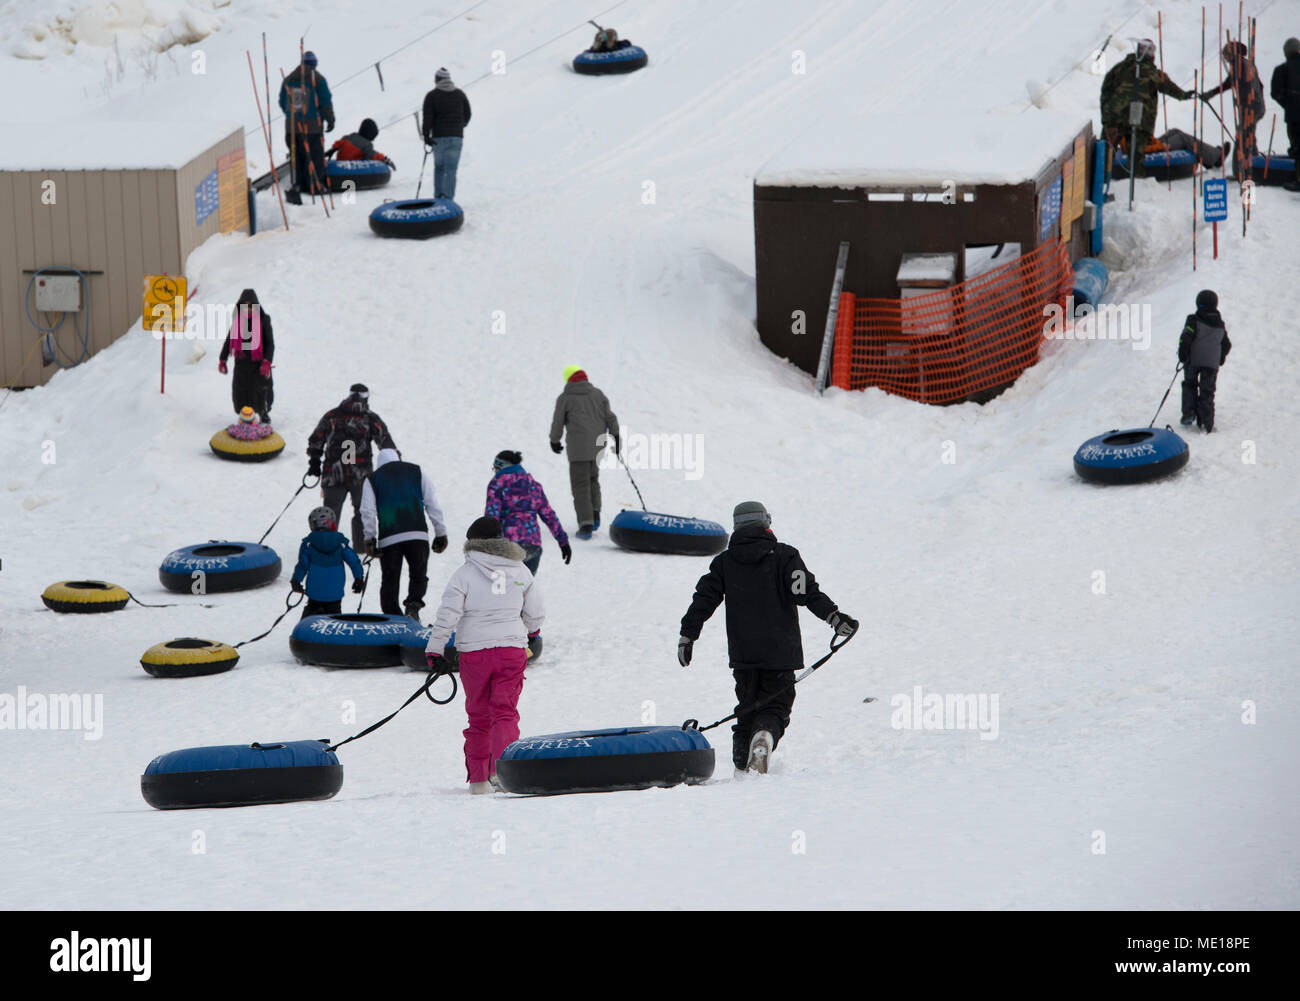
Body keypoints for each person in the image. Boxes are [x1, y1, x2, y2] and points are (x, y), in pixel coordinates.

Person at [677, 502, 858, 776]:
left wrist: (687, 635)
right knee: (776, 705)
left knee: (747, 706)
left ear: (736, 526)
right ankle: (764, 736)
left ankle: (741, 762)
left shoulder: (724, 563)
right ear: (766, 523)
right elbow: (805, 592)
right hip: (780, 651)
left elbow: (703, 600)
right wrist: (834, 617)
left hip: (744, 654)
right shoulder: (785, 556)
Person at [425, 517, 544, 794]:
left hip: (474, 654)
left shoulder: (464, 574)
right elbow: (536, 611)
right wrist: (532, 631)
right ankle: (504, 775)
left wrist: (435, 649)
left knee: (478, 717)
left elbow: (447, 616)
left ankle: (479, 780)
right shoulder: (521, 571)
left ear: (472, 543)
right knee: (504, 713)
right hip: (511, 651)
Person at [359, 447, 449, 621]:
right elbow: (431, 502)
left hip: (389, 538)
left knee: (390, 579)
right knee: (418, 573)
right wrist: (440, 532)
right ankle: (413, 605)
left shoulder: (372, 478)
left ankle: (392, 616)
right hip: (418, 535)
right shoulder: (416, 471)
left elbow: (367, 511)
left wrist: (369, 539)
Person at [307, 384, 396, 552]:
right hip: (360, 476)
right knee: (362, 512)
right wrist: (394, 466)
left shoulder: (331, 416)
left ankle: (326, 547)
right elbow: (386, 443)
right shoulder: (370, 418)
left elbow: (316, 440)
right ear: (366, 398)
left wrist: (314, 462)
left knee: (330, 512)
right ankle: (361, 549)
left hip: (334, 474)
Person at [1100, 38, 1194, 178]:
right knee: (1136, 159)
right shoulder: (1153, 74)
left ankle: (1101, 184)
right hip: (1139, 123)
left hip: (1114, 119)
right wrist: (1186, 95)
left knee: (1105, 154)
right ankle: (1136, 188)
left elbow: (1105, 90)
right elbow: (1173, 90)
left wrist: (1107, 115)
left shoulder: (1119, 68)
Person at [549, 365, 619, 540]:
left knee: (580, 485)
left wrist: (554, 440)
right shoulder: (598, 394)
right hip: (597, 447)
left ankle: (585, 524)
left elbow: (558, 421)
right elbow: (611, 417)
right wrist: (616, 436)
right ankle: (595, 515)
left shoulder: (565, 398)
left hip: (578, 449)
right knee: (593, 480)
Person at [484, 450, 571, 576]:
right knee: (523, 589)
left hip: (507, 548)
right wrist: (563, 542)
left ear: (501, 467)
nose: (494, 472)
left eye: (495, 469)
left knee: (505, 591)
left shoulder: (497, 484)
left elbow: (491, 519)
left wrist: (485, 547)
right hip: (532, 547)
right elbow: (548, 515)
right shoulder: (533, 485)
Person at [1203, 40, 1267, 176]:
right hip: (1257, 105)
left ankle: (1239, 172)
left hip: (1250, 107)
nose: (1225, 59)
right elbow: (1259, 85)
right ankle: (1255, 167)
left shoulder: (1238, 64)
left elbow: (1228, 83)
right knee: (1249, 137)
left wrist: (1211, 94)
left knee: (1241, 139)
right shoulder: (1248, 63)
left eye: (1226, 55)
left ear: (1231, 54)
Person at [291, 506, 365, 619]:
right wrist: (358, 578)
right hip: (334, 593)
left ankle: (306, 634)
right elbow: (354, 561)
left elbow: (303, 565)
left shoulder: (308, 544)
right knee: (334, 620)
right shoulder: (341, 543)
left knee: (309, 620)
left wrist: (296, 580)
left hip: (314, 593)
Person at [278, 50, 334, 197]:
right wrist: (330, 119)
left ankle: (298, 185)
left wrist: (291, 115)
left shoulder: (289, 79)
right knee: (314, 157)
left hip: (291, 128)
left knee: (297, 156)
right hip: (312, 128)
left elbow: (282, 102)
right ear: (315, 65)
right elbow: (325, 102)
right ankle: (315, 186)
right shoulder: (318, 80)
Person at [1178, 289, 1231, 433]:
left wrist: (1183, 355)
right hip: (1211, 364)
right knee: (1207, 391)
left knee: (1190, 384)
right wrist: (1220, 359)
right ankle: (1206, 422)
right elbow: (1226, 344)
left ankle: (1189, 414)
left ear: (1198, 303)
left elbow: (1186, 337)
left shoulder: (1193, 320)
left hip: (1193, 359)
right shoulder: (1220, 324)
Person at [217, 289, 274, 423]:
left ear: (256, 305)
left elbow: (270, 343)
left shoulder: (264, 320)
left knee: (260, 392)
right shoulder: (238, 321)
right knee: (241, 393)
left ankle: (263, 413)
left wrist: (267, 361)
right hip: (241, 364)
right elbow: (229, 340)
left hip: (259, 364)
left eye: (251, 305)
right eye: (245, 305)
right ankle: (246, 416)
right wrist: (222, 359)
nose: (248, 309)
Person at [421, 67, 471, 199]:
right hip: (456, 138)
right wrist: (460, 126)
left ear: (437, 79)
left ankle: (438, 197)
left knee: (439, 168)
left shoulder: (431, 96)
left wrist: (426, 136)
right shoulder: (460, 94)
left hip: (439, 138)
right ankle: (448, 201)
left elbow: (428, 118)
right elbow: (468, 114)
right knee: (451, 170)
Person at [1270, 37, 1300, 190]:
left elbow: (1275, 93)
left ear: (1286, 53)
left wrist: (1288, 105)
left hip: (1294, 116)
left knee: (1297, 146)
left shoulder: (1282, 69)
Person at [327, 117, 396, 169]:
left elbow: (339, 143)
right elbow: (374, 155)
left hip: (340, 164)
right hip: (353, 168)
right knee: (367, 157)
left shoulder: (350, 137)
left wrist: (332, 149)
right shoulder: (367, 145)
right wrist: (385, 159)